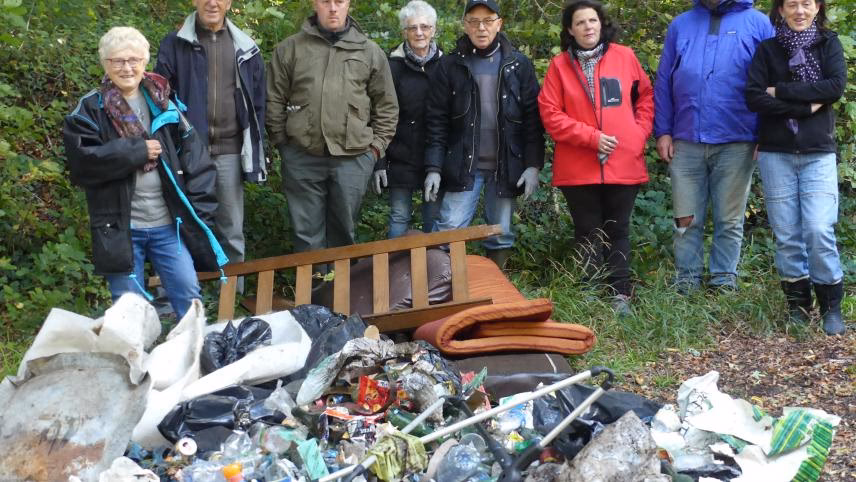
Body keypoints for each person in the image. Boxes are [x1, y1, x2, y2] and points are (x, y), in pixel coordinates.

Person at [63, 27, 228, 320]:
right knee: (128, 309)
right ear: (105, 64)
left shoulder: (165, 103)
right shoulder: (89, 109)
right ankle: (133, 351)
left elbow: (198, 162)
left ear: (145, 61)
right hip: (120, 227)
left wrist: (199, 215)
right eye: (117, 61)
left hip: (169, 224)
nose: (126, 68)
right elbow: (82, 165)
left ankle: (195, 349)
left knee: (189, 295)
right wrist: (136, 151)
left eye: (134, 60)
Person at [538, 0, 654, 315]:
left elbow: (645, 97)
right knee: (587, 231)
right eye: (580, 22)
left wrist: (637, 134)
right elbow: (550, 114)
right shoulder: (559, 65)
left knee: (618, 229)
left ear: (601, 24)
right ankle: (589, 295)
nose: (588, 27)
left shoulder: (625, 56)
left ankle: (620, 295)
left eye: (592, 20)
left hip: (623, 160)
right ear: (570, 30)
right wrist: (591, 138)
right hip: (578, 165)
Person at [654, 0, 773, 292]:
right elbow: (664, 80)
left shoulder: (758, 23)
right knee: (685, 218)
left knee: (729, 219)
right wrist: (663, 131)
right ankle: (686, 281)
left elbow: (773, 80)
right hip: (685, 138)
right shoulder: (681, 24)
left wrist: (766, 133)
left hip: (738, 137)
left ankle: (723, 281)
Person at [746, 0, 846, 334]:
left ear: (817, 8)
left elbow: (834, 87)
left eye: (806, 3)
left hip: (817, 152)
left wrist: (781, 91)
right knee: (788, 235)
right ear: (781, 10)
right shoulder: (767, 49)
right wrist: (806, 107)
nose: (799, 11)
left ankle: (831, 307)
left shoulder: (828, 44)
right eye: (792, 4)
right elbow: (754, 97)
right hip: (776, 153)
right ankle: (798, 307)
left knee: (818, 228)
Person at [266, 0, 398, 253]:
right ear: (315, 4)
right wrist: (283, 144)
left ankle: (341, 281)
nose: (333, 8)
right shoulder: (290, 49)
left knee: (344, 233)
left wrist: (374, 150)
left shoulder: (370, 51)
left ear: (349, 5)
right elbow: (274, 100)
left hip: (353, 158)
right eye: (326, 1)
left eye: (340, 1)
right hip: (302, 156)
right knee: (306, 236)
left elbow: (387, 105)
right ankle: (313, 281)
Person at [425, 0, 544, 269]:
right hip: (462, 164)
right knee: (448, 230)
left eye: (488, 21)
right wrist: (433, 167)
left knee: (500, 233)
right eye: (474, 21)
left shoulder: (519, 65)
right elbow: (436, 122)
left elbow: (532, 120)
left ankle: (496, 287)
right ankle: (440, 285)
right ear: (465, 25)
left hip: (506, 165)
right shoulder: (449, 66)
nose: (481, 28)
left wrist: (533, 165)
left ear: (499, 24)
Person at [155, 0, 266, 271]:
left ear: (229, 3)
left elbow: (259, 103)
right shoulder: (174, 44)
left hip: (230, 151)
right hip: (189, 152)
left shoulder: (246, 47)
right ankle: (186, 291)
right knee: (184, 225)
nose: (212, 2)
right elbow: (160, 99)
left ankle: (231, 294)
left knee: (231, 231)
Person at [372, 0, 443, 238]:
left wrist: (440, 163)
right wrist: (379, 162)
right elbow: (378, 115)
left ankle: (433, 263)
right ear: (404, 31)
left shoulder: (446, 65)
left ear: (433, 29)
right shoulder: (391, 66)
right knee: (399, 216)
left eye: (425, 26)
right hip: (399, 155)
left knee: (433, 217)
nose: (419, 32)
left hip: (435, 155)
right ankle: (395, 263)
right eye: (413, 27)